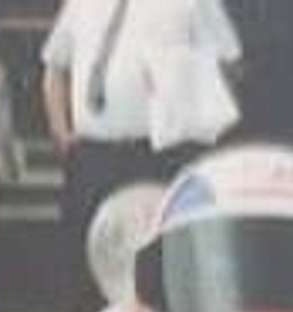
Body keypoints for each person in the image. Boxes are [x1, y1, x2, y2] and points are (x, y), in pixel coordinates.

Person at [39, 0, 240, 252]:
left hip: (162, 156)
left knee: (161, 255)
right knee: (87, 255)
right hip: (93, 157)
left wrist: (183, 79)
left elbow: (228, 64)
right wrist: (59, 130)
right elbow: (55, 67)